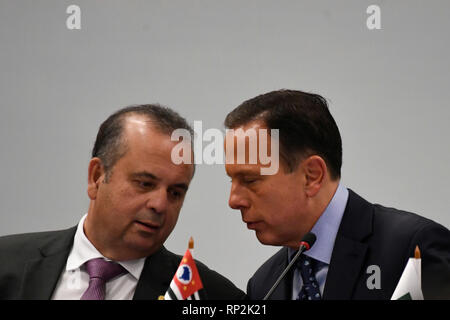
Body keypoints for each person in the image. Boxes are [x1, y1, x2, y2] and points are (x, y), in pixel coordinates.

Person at [0, 104, 245, 300]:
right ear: (96, 177)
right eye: (144, 184)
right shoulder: (7, 262)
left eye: (175, 193)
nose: (159, 205)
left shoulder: (209, 295)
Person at [224, 89, 450, 300]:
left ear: (311, 176)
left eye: (250, 180)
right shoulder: (264, 284)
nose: (233, 200)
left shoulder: (412, 249)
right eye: (231, 181)